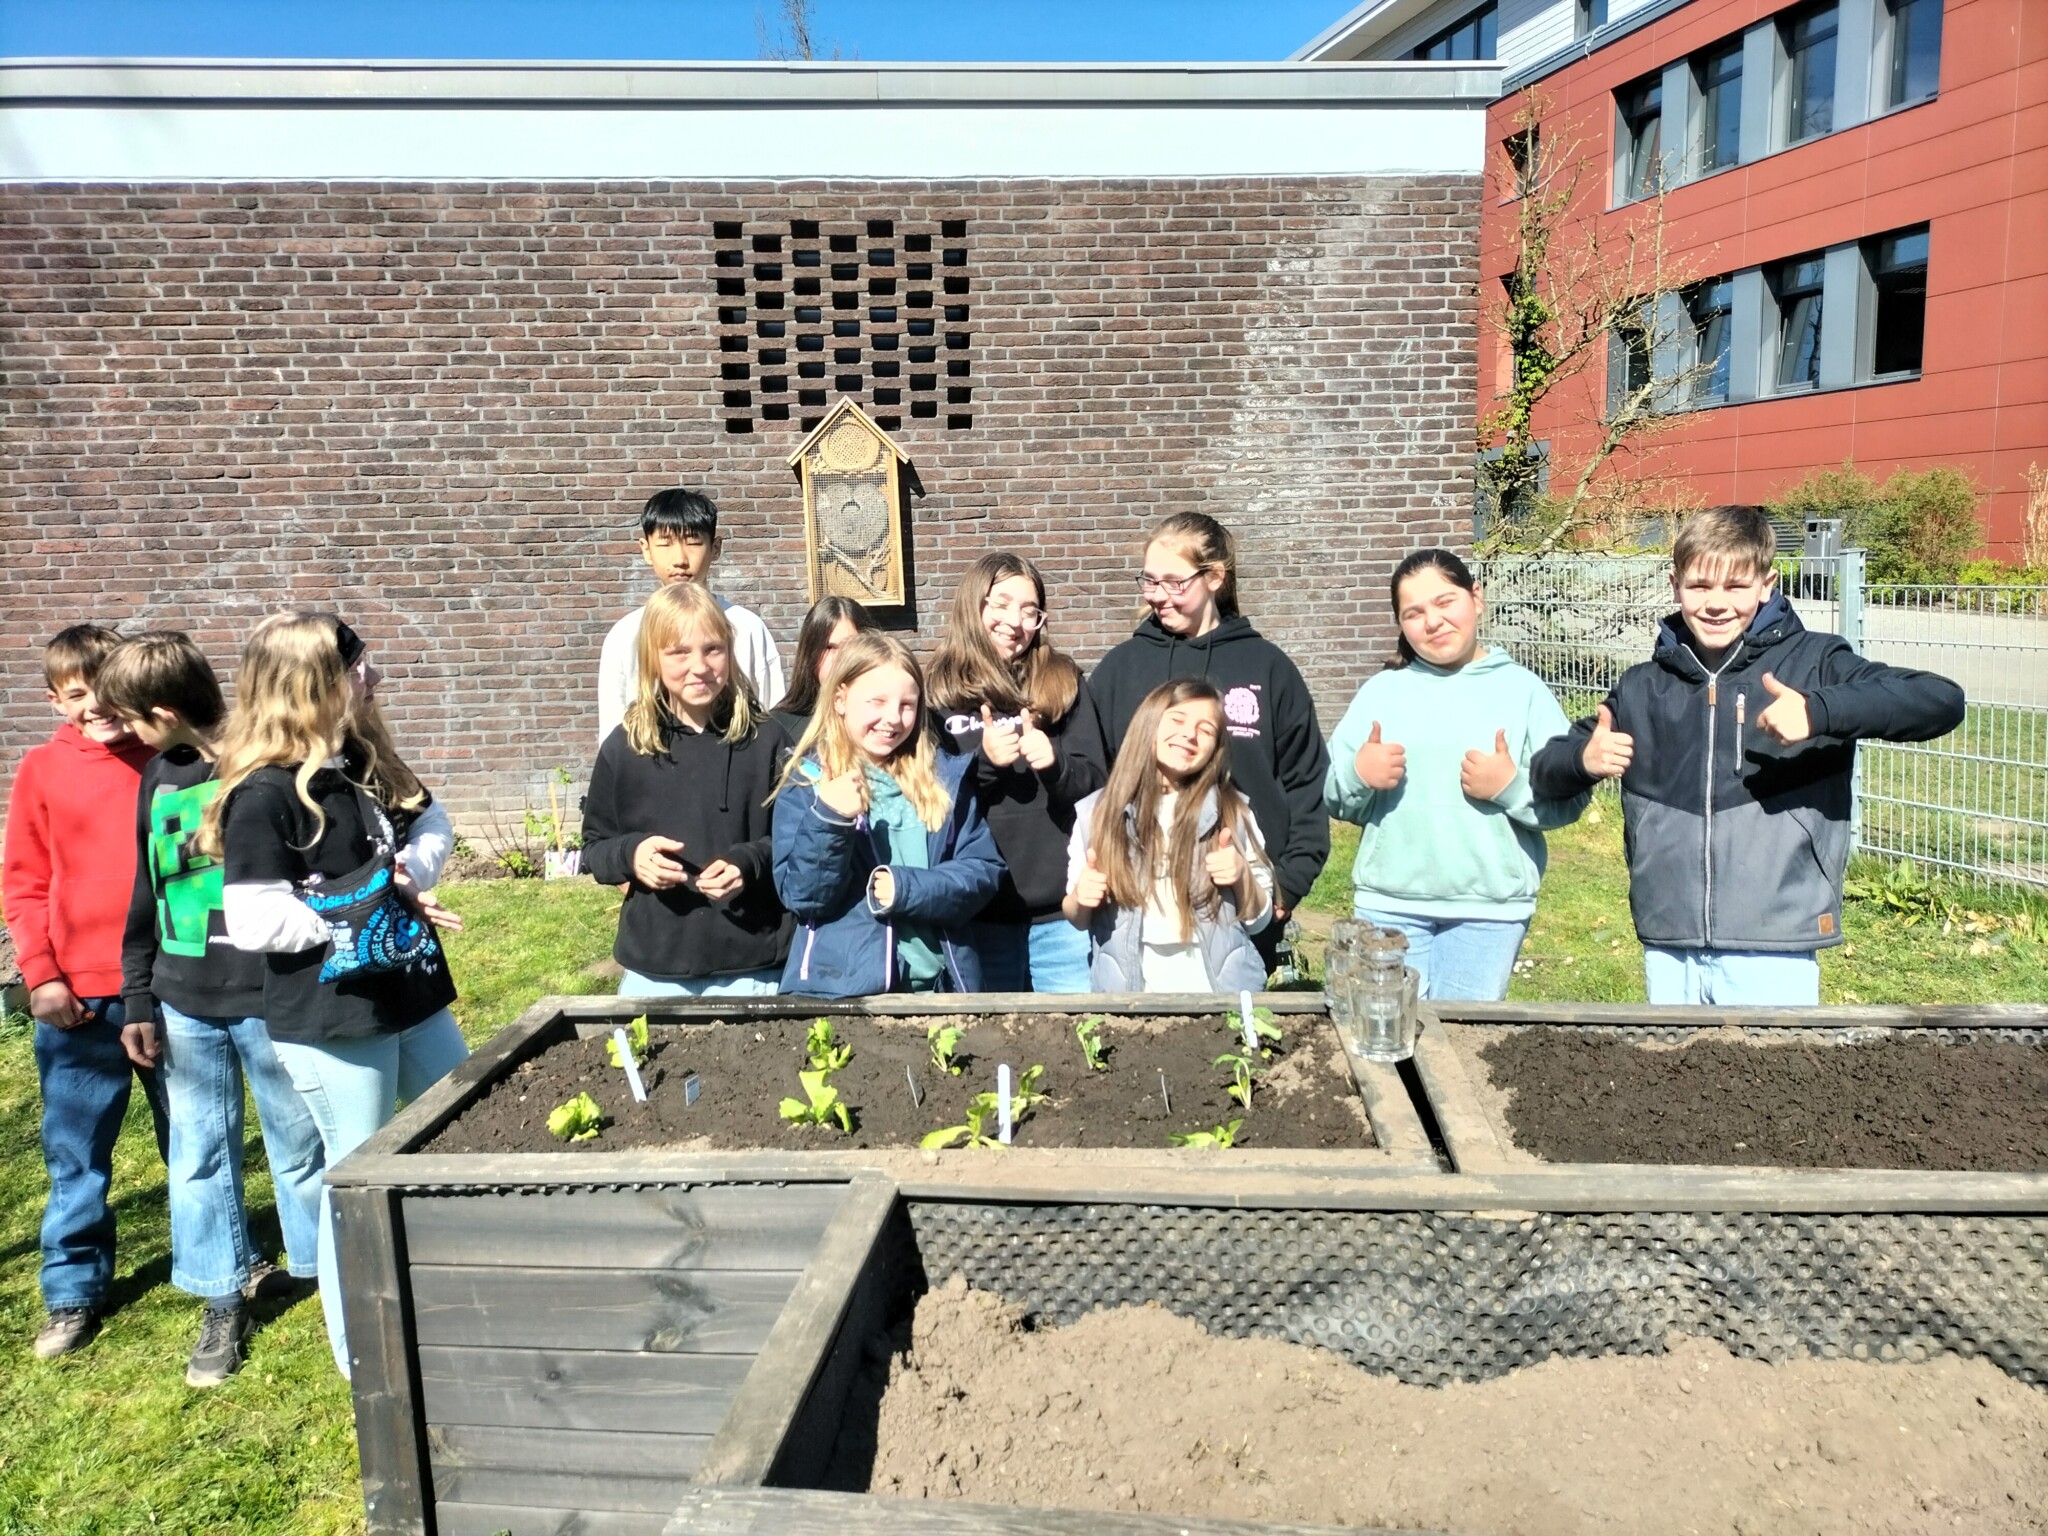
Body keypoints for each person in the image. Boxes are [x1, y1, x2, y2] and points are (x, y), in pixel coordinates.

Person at [1530, 506, 1965, 1006]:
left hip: (1775, 943)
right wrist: (1583, 759)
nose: (1716, 604)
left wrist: (1819, 712)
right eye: (1699, 586)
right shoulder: (1642, 687)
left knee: (1773, 1080)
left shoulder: (1816, 663)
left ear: (1766, 584)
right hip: (1669, 941)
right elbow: (1547, 770)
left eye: (1735, 586)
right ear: (1675, 586)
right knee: (1675, 1080)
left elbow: (1941, 701)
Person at [204, 613, 466, 1376]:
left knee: (460, 1126)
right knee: (357, 1174)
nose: (374, 679)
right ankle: (367, 1362)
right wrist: (361, 911)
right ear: (314, 686)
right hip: (333, 1022)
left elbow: (433, 822)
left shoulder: (360, 756)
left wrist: (413, 870)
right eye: (359, 669)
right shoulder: (264, 796)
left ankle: (446, 1296)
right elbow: (255, 917)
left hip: (411, 996)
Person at [99, 632, 326, 1387]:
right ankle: (221, 1294)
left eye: (131, 719)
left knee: (299, 1145)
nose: (126, 734)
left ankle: (325, 1278)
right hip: (182, 1002)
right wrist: (138, 991)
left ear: (163, 710)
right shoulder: (156, 776)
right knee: (198, 1154)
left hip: (269, 996)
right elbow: (146, 887)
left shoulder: (259, 765)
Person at [3, 624, 170, 1361]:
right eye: (76, 695)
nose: (95, 707)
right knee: (76, 1151)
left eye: (107, 691)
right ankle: (72, 1290)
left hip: (169, 991)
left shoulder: (171, 763)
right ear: (54, 699)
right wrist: (40, 974)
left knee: (196, 1138)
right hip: (78, 1001)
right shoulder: (42, 770)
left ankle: (226, 1258)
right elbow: (25, 880)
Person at [1323, 550, 1589, 1000]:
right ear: (1401, 624)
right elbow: (1334, 795)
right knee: (1387, 1046)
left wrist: (1511, 789)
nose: (1433, 621)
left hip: (1488, 912)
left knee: (1464, 1047)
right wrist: (1357, 774)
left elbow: (1570, 798)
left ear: (1476, 598)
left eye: (1445, 602)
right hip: (1390, 905)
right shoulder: (1382, 693)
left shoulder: (1523, 691)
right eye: (1414, 613)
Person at [1088, 513, 1328, 974]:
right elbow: (1095, 779)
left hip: (1237, 901)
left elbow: (1306, 782)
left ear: (1215, 577)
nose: (1157, 595)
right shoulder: (1120, 670)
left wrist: (1289, 883)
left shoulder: (1267, 667)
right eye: (1149, 580)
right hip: (1140, 907)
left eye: (1174, 582)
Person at [583, 583, 795, 997]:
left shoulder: (767, 739)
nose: (698, 666)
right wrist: (632, 855)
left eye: (712, 649)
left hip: (756, 963)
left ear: (730, 654)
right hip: (657, 970)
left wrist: (748, 863)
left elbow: (797, 836)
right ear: (652, 659)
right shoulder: (625, 746)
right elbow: (594, 847)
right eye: (679, 652)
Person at [771, 632, 1002, 997]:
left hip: (943, 992)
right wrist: (830, 819)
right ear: (840, 698)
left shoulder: (943, 778)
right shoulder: (808, 784)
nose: (892, 719)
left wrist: (906, 888)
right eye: (876, 701)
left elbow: (983, 872)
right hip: (851, 997)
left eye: (907, 705)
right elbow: (806, 897)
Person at [927, 553, 1109, 993]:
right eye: (1003, 604)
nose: (1016, 621)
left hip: (1061, 916)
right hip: (979, 916)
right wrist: (984, 764)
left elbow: (1098, 784)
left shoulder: (1063, 682)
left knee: (1075, 1045)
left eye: (1031, 611)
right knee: (989, 1048)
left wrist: (1056, 764)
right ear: (975, 605)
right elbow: (930, 802)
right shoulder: (936, 691)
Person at [1063, 678, 1274, 992]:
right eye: (1177, 720)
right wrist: (1081, 898)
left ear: (1216, 748)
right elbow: (1076, 917)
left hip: (1215, 990)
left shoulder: (1234, 812)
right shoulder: (1096, 814)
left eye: (1205, 730)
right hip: (1130, 991)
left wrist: (1242, 876)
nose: (1189, 734)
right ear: (1149, 725)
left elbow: (1260, 920)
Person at [597, 488, 784, 743]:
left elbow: (772, 715)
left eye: (693, 542)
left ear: (715, 547)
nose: (680, 559)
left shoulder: (746, 627)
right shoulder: (626, 635)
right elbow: (612, 728)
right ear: (646, 549)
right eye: (664, 544)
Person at [770, 596, 877, 743]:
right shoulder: (778, 728)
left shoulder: (886, 722)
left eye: (851, 646)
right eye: (829, 648)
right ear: (810, 654)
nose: (840, 658)